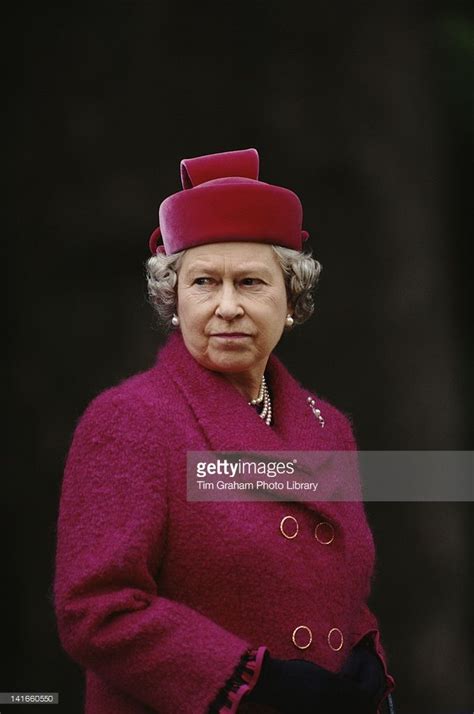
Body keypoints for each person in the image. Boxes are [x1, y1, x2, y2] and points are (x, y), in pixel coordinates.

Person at [54, 148, 395, 714]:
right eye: (205, 282)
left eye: (252, 283)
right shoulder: (130, 420)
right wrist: (251, 685)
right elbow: (97, 608)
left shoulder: (328, 427)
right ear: (174, 301)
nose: (228, 306)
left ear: (291, 301)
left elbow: (329, 582)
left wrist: (363, 658)